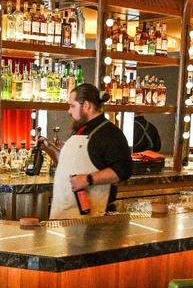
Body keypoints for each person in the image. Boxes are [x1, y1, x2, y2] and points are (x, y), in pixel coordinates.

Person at [37, 83, 133, 219]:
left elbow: (123, 170)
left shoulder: (109, 133)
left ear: (86, 105)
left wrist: (88, 179)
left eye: (72, 106)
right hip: (67, 214)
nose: (69, 111)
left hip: (91, 219)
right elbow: (69, 165)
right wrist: (50, 149)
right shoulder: (82, 130)